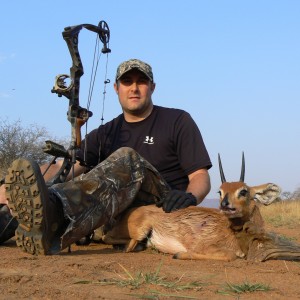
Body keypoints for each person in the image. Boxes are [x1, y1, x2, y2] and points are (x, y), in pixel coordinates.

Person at [1, 59, 212, 255]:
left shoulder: (177, 120)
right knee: (41, 195)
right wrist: (12, 187)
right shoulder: (106, 132)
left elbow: (200, 175)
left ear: (152, 87)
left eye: (142, 82)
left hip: (165, 210)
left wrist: (190, 197)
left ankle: (54, 213)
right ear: (116, 88)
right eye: (127, 82)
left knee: (128, 158)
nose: (134, 88)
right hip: (118, 217)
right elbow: (67, 169)